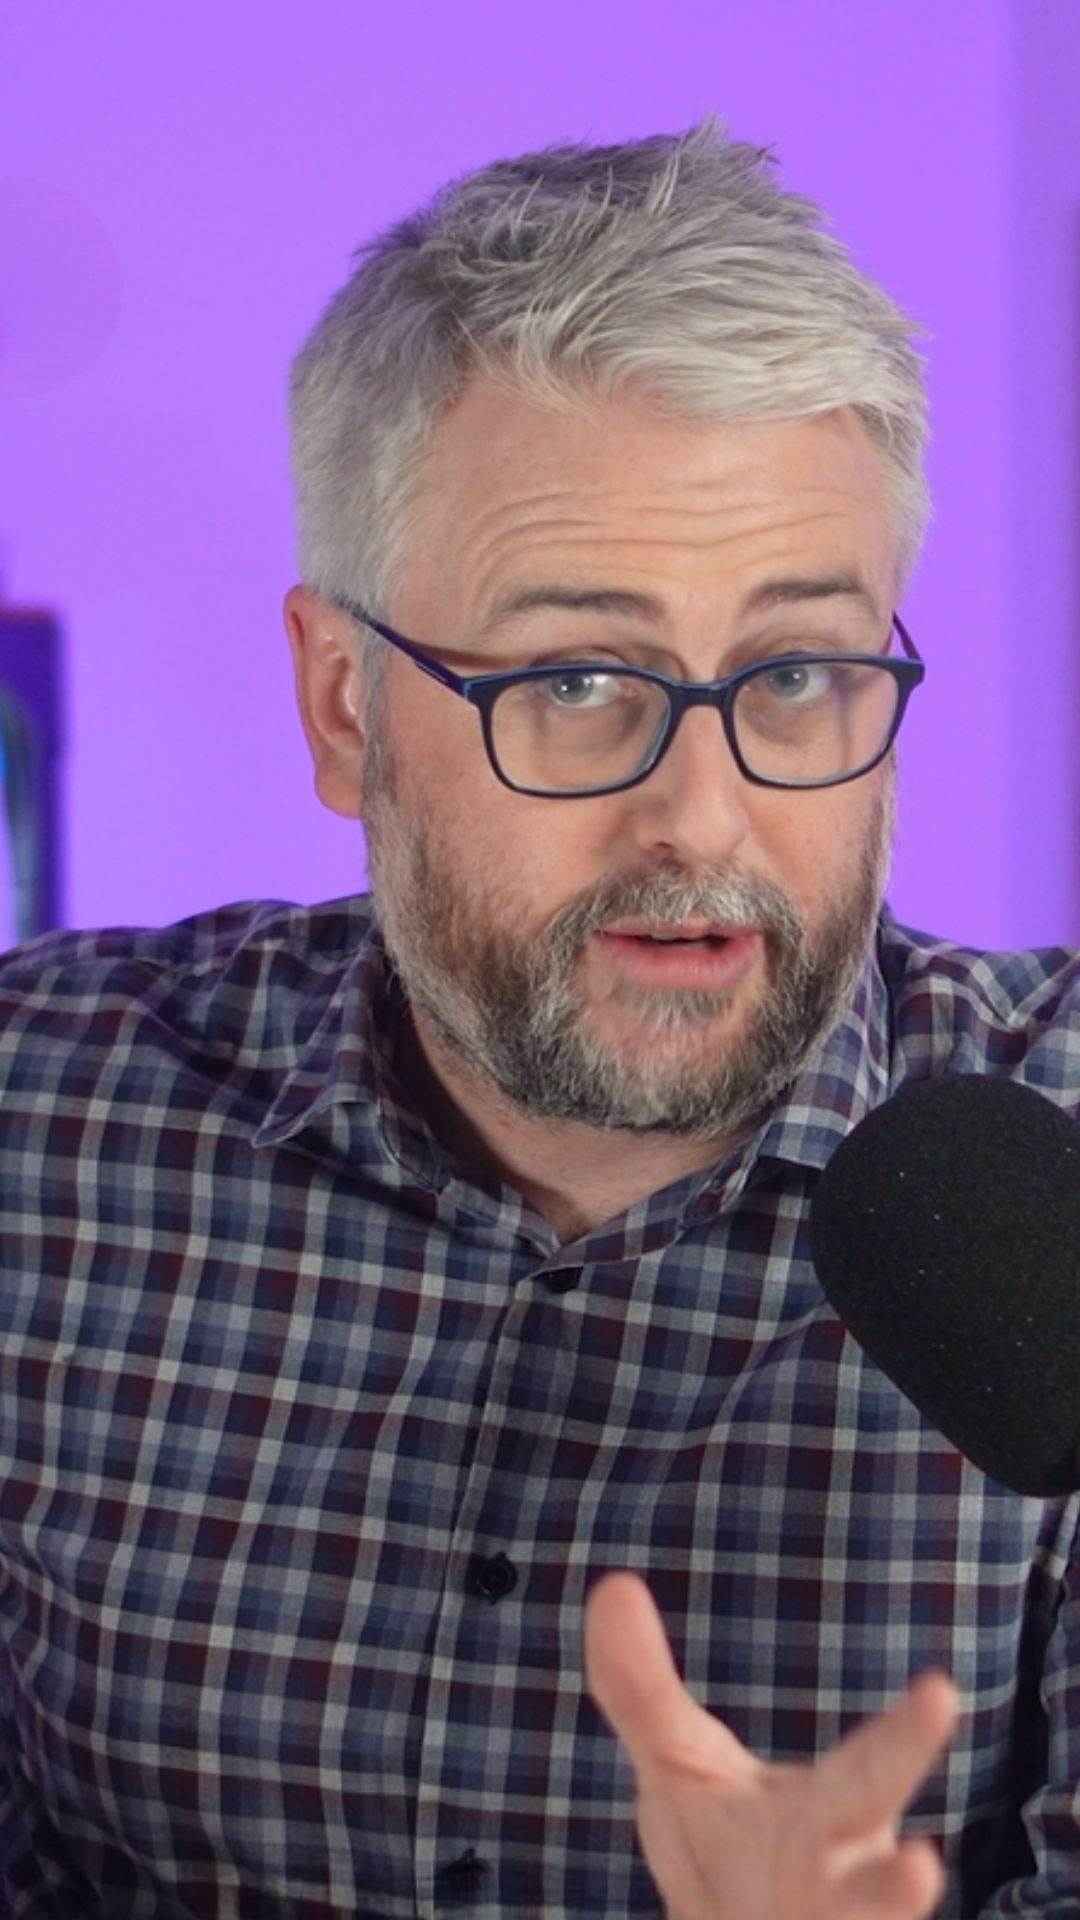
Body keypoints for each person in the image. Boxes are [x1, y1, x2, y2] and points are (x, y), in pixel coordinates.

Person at [0, 119, 1075, 1920]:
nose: (706, 823)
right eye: (579, 681)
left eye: (798, 675)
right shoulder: (41, 1128)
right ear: (346, 707)